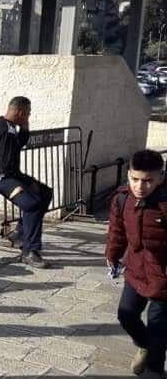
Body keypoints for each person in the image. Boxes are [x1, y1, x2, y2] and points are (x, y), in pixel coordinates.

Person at [107, 150, 167, 378]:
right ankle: (144, 345)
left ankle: (154, 369)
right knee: (126, 314)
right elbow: (117, 230)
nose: (140, 186)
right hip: (136, 268)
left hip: (163, 274)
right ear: (129, 174)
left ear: (161, 177)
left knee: (158, 325)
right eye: (135, 179)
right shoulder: (122, 198)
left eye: (148, 180)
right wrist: (112, 255)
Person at [0, 96, 52, 268]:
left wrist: (25, 129)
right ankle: (30, 251)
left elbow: (16, 146)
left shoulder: (4, 124)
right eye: (28, 113)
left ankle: (21, 233)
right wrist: (27, 183)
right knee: (31, 204)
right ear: (20, 112)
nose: (29, 116)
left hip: (5, 174)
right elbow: (7, 166)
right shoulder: (6, 130)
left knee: (45, 192)